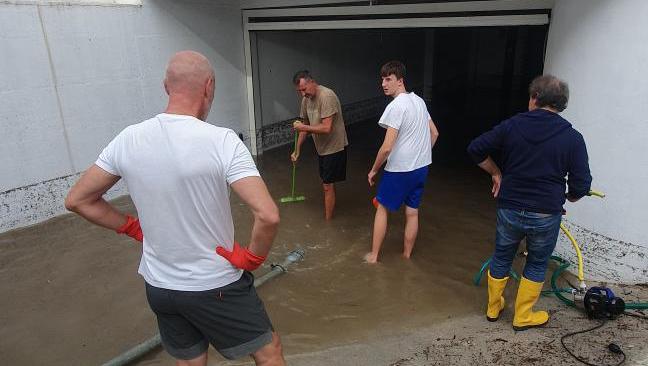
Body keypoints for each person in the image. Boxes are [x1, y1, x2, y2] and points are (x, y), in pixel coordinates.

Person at [65, 51, 285, 366]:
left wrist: (131, 226)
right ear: (209, 87)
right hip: (215, 285)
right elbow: (267, 215)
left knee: (190, 361)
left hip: (160, 286)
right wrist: (252, 257)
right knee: (268, 352)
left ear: (166, 87)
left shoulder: (128, 139)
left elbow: (77, 200)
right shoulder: (221, 141)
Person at [467, 74, 592, 331]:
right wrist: (567, 197)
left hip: (510, 206)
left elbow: (475, 148)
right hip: (546, 213)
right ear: (561, 104)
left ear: (535, 97)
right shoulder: (573, 138)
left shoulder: (512, 125)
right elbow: (581, 185)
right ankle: (523, 315)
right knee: (536, 262)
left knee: (502, 255)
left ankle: (493, 308)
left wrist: (495, 172)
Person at [365, 61, 439, 264]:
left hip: (400, 170)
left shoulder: (396, 106)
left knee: (381, 207)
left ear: (400, 81)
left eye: (388, 79)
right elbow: (434, 133)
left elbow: (387, 147)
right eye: (382, 79)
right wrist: (420, 155)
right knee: (412, 213)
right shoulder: (419, 102)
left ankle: (374, 256)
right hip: (421, 168)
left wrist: (373, 170)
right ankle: (406, 256)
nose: (383, 83)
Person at [291, 70, 349, 220]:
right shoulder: (306, 100)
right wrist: (297, 151)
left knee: (327, 185)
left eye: (304, 89)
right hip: (322, 148)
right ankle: (330, 212)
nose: (303, 94)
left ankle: (328, 222)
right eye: (299, 91)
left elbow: (326, 127)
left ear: (312, 82)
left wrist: (303, 128)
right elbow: (305, 125)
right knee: (327, 183)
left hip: (335, 146)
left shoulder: (327, 96)